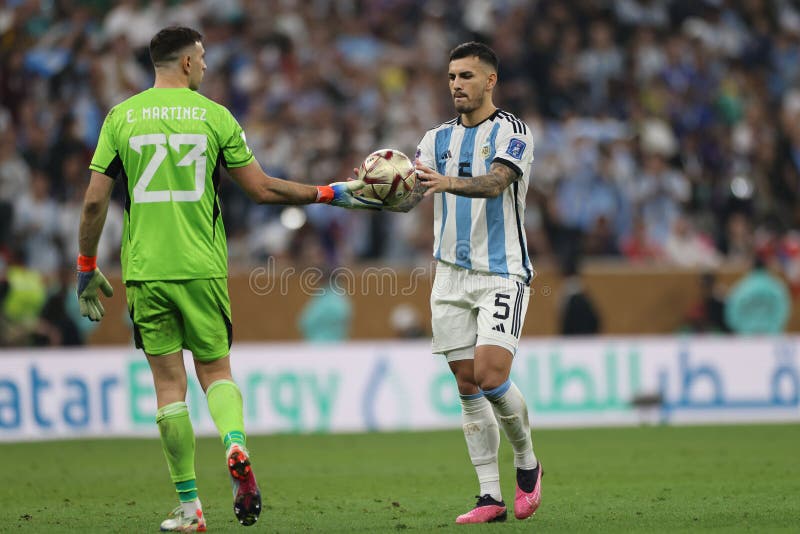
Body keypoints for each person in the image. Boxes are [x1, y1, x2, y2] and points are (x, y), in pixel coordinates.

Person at [76, 26, 374, 532]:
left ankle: (191, 508)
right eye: (204, 57)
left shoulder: (120, 117)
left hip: (146, 270)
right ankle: (234, 441)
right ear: (188, 63)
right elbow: (262, 189)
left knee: (169, 385)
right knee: (215, 371)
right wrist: (330, 193)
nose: (208, 66)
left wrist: (86, 266)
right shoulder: (216, 117)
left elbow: (93, 201)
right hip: (204, 267)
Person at [388, 42, 542, 524]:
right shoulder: (435, 139)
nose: (457, 84)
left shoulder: (512, 132)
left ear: (490, 81)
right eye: (452, 76)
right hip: (449, 275)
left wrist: (444, 183)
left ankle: (528, 463)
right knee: (466, 383)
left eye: (467, 76)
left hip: (502, 272)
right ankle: (489, 496)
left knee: (492, 374)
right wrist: (360, 191)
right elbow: (410, 196)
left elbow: (497, 182)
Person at [724, 256, 791, 334]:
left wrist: (741, 329)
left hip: (746, 334)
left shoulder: (741, 286)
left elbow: (732, 312)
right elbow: (784, 309)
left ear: (751, 268)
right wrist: (775, 327)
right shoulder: (777, 287)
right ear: (766, 268)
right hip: (770, 333)